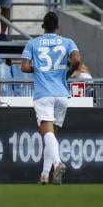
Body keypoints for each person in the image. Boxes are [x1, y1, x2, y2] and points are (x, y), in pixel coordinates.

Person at [21, 11, 82, 185]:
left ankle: (57, 163)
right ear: (58, 27)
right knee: (52, 137)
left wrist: (40, 69)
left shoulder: (33, 43)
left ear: (42, 26)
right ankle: (45, 175)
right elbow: (77, 59)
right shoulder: (67, 42)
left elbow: (24, 67)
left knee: (47, 133)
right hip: (62, 94)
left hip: (44, 93)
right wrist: (68, 72)